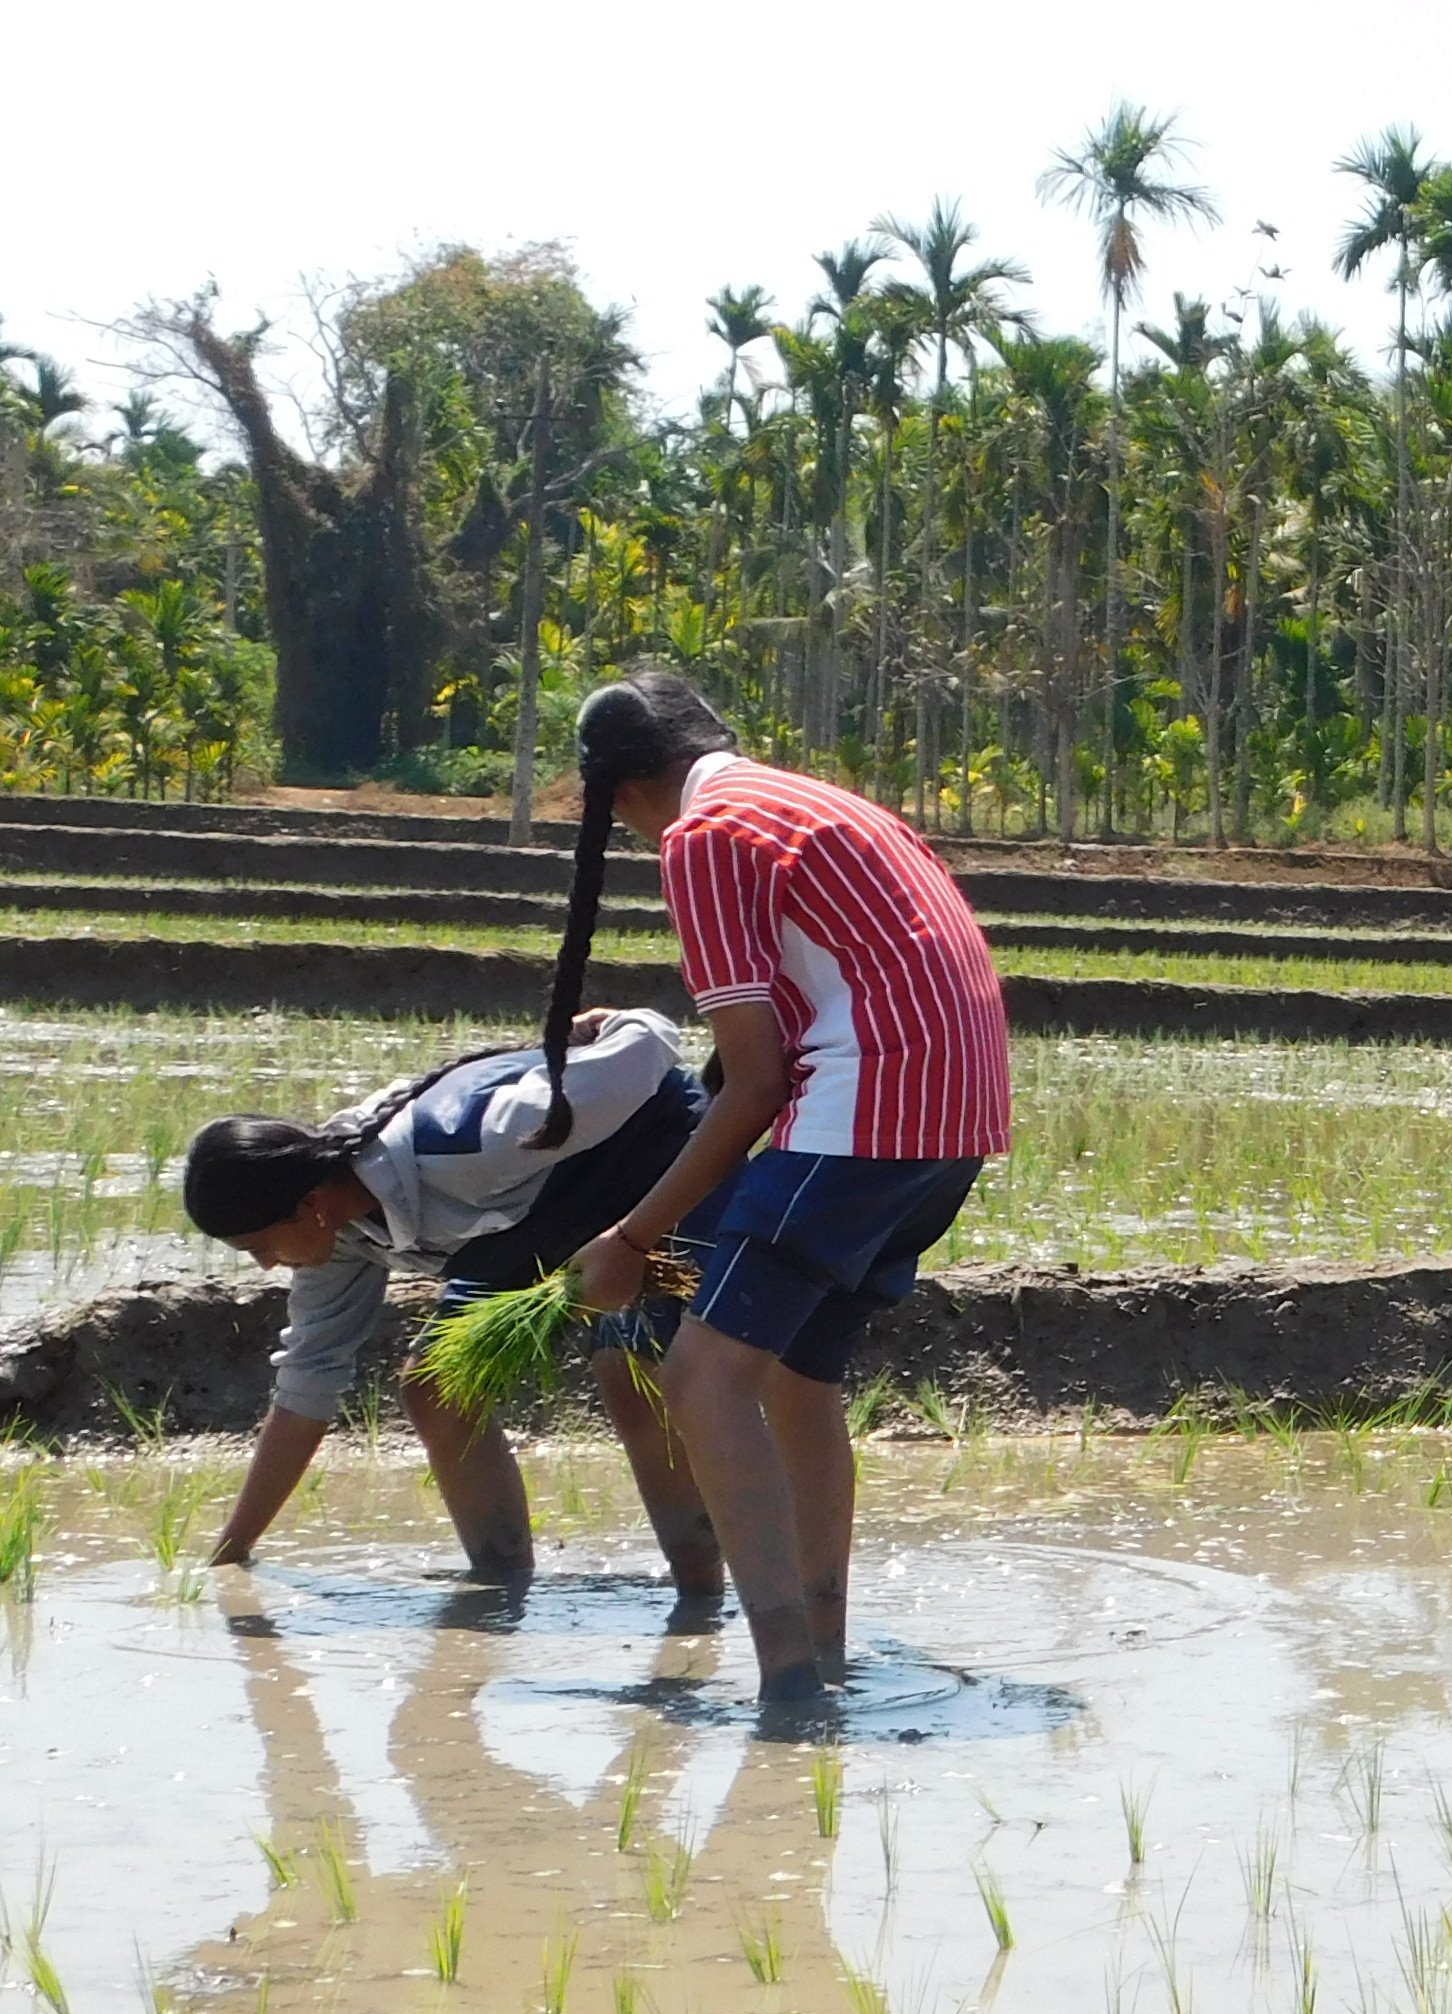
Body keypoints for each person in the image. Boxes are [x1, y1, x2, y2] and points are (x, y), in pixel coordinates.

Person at [548, 672, 1009, 1708]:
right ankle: (827, 1653)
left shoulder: (700, 838)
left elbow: (755, 1082)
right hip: (958, 1114)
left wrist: (633, 1238)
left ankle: (789, 1690)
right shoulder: (820, 802)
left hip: (869, 1108)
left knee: (703, 1379)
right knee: (798, 1379)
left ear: (624, 795)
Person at [183, 1017, 721, 1592]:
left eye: (260, 1246)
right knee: (437, 1386)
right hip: (530, 1225)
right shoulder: (337, 1234)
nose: (266, 1265)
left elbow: (651, 1051)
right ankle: (499, 1585)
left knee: (629, 1367)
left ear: (309, 1203)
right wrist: (232, 1551)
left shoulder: (479, 1140)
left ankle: (698, 1593)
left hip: (660, 1169)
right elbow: (308, 1382)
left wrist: (621, 1021)